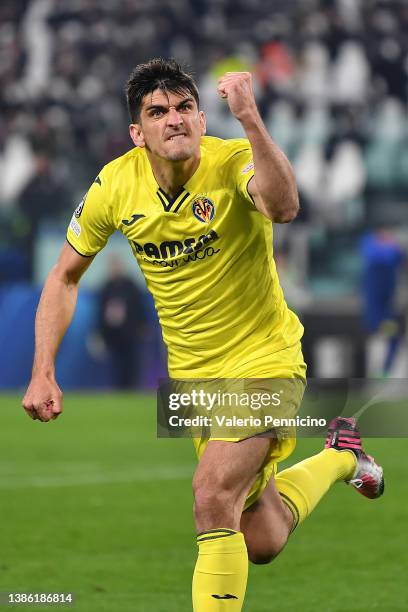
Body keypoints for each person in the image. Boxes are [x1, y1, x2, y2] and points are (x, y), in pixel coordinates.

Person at [22, 59, 384, 611]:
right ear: (137, 133)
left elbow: (284, 206)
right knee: (260, 538)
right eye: (158, 112)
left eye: (185, 107)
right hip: (195, 380)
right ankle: (341, 455)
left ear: (202, 117)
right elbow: (64, 275)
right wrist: (43, 369)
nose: (174, 120)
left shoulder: (234, 158)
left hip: (266, 356)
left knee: (212, 491)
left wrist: (252, 120)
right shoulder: (116, 184)